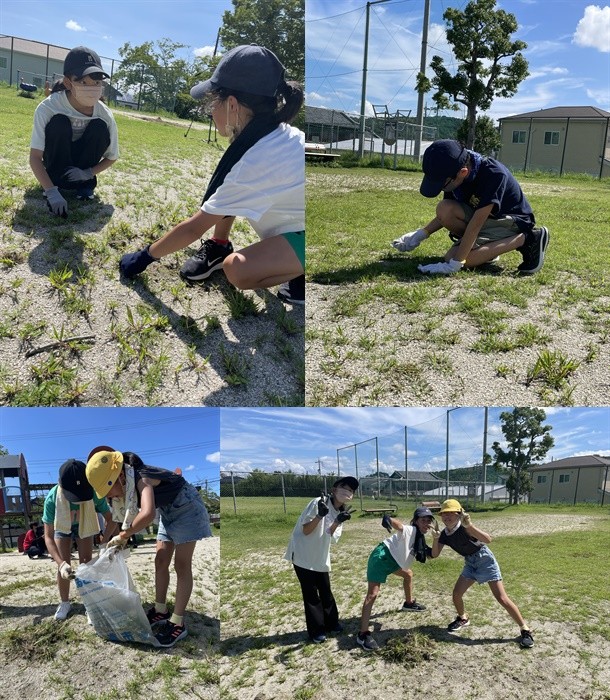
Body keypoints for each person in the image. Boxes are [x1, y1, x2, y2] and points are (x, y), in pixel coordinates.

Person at [119, 44, 305, 304]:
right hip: (298, 226)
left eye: (211, 101)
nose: (209, 111)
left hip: (306, 236)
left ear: (232, 105)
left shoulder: (257, 159)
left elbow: (193, 228)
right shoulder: (274, 134)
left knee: (237, 270)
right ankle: (220, 244)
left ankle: (301, 273)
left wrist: (144, 257)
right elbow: (226, 196)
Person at [85, 446, 212, 648]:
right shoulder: (124, 486)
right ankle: (160, 610)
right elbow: (125, 519)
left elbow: (147, 513)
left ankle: (178, 622)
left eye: (108, 490)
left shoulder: (141, 477)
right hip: (168, 511)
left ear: (117, 477)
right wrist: (120, 539)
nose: (110, 496)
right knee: (160, 560)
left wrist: (124, 534)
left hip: (186, 508)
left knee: (181, 565)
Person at [391, 139, 549, 276]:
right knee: (444, 208)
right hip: (488, 221)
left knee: (456, 258)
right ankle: (487, 251)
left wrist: (455, 264)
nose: (441, 189)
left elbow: (477, 222)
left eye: (443, 184)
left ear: (463, 172)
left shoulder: (493, 174)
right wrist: (421, 234)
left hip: (512, 221)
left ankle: (528, 238)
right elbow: (447, 214)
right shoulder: (455, 171)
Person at [429, 498, 534, 648]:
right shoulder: (444, 534)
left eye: (451, 513)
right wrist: (436, 538)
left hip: (485, 560)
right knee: (456, 594)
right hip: (470, 563)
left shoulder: (464, 526)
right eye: (444, 514)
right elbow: (435, 554)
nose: (446, 517)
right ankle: (463, 618)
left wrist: (470, 526)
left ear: (459, 514)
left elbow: (488, 539)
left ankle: (525, 630)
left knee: (502, 598)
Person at [29, 46, 118, 216]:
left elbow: (112, 156)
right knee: (59, 123)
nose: (92, 88)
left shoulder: (104, 114)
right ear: (68, 83)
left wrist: (87, 173)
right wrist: (51, 192)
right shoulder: (49, 107)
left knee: (99, 127)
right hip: (56, 162)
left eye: (97, 83)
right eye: (84, 82)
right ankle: (54, 183)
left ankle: (84, 186)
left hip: (84, 167)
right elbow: (34, 157)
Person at [284, 477, 358, 643]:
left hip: (319, 556)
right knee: (311, 595)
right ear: (334, 489)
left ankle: (332, 623)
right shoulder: (319, 502)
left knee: (326, 591)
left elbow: (329, 536)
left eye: (351, 490)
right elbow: (306, 530)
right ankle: (317, 631)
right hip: (303, 554)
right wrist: (319, 515)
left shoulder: (342, 513)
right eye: (343, 487)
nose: (347, 491)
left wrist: (338, 521)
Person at [42, 459, 114, 621]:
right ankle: (65, 602)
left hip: (85, 527)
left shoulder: (93, 493)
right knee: (64, 566)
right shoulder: (52, 499)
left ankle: (89, 603)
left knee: (86, 562)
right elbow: (48, 536)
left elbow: (112, 519)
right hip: (62, 528)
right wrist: (60, 563)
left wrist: (104, 541)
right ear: (61, 486)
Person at [356, 507, 434, 652]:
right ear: (415, 521)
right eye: (423, 520)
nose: (427, 524)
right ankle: (363, 634)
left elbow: (431, 554)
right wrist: (388, 519)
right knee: (372, 594)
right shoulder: (411, 530)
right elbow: (399, 525)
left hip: (392, 561)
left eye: (429, 521)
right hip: (381, 558)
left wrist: (438, 539)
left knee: (408, 574)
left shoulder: (419, 538)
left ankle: (409, 604)